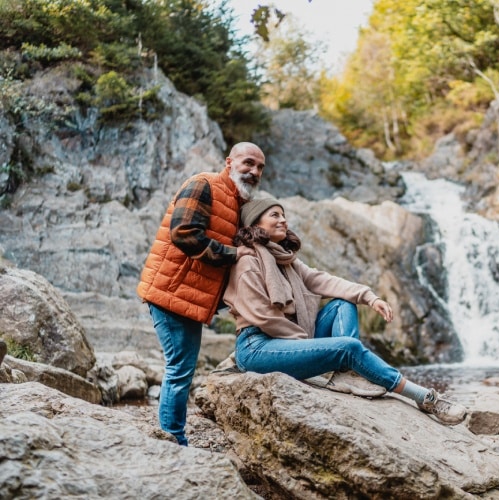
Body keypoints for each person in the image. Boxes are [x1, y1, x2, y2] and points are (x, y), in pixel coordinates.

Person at [223, 197, 468, 426]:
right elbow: (263, 316)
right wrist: (314, 348)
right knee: (346, 347)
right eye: (274, 215)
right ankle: (425, 397)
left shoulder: (285, 260)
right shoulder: (247, 263)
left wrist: (370, 297)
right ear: (254, 224)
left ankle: (346, 373)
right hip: (258, 347)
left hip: (288, 339)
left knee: (343, 304)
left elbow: (323, 280)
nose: (283, 220)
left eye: (284, 215)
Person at [137, 142, 266, 445]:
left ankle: (171, 435)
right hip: (171, 290)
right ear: (229, 161)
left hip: (189, 297)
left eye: (260, 167)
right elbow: (183, 233)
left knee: (181, 368)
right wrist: (233, 254)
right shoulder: (204, 184)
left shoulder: (238, 202)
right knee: (180, 369)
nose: (254, 171)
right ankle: (172, 440)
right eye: (248, 163)